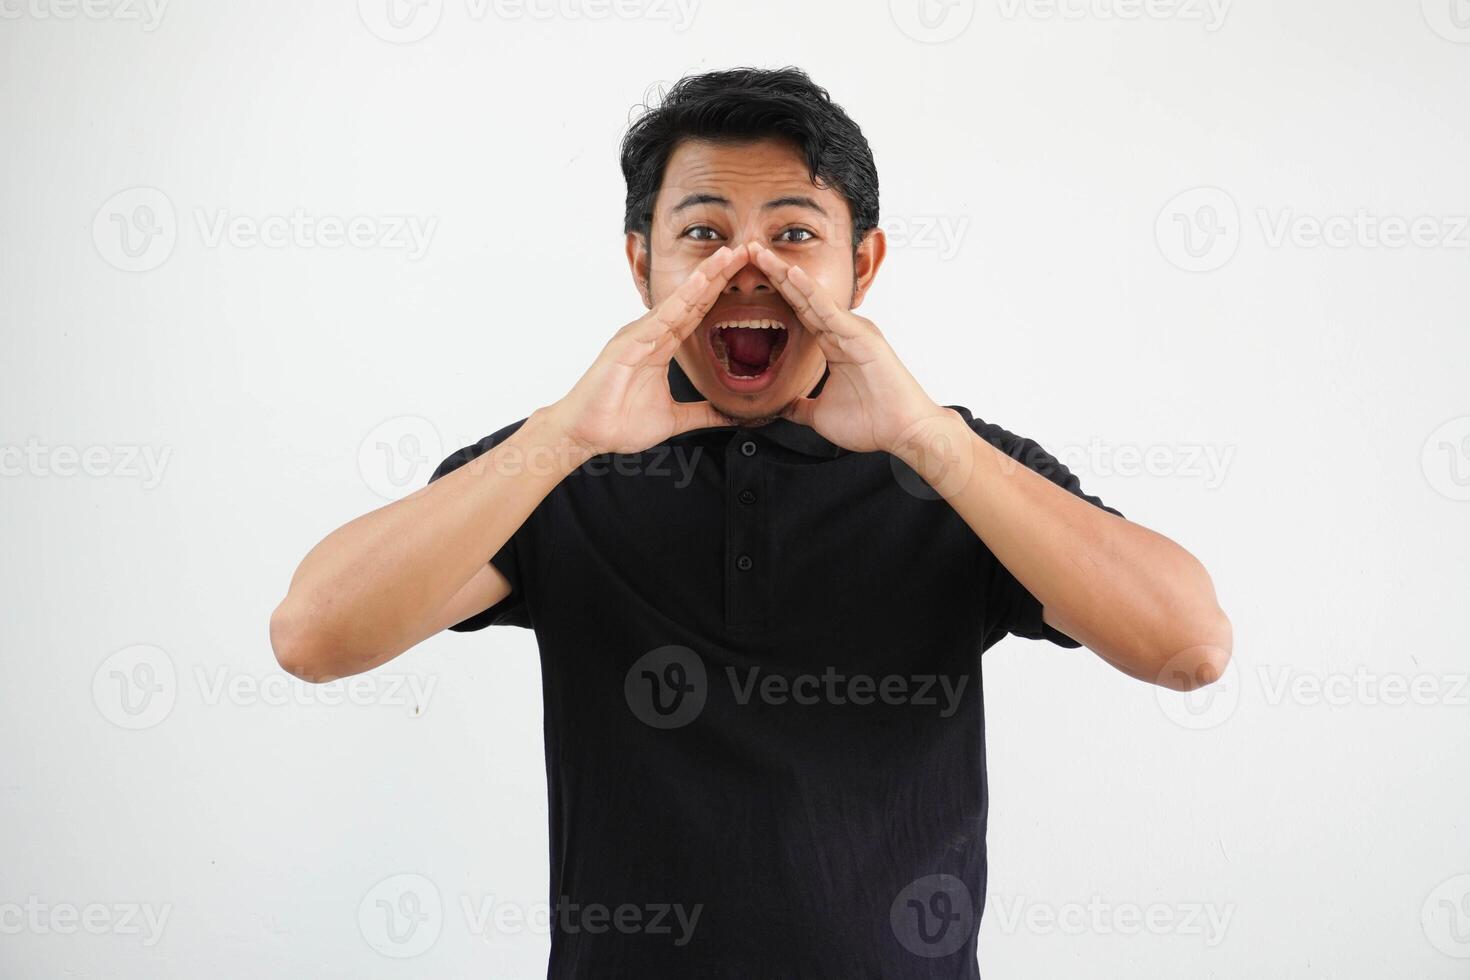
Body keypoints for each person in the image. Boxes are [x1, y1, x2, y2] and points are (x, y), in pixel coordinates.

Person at [270, 66, 1232, 979]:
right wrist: (563, 435)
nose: (747, 268)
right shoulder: (558, 468)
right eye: (703, 234)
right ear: (640, 262)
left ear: (865, 263)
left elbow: (1189, 646)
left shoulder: (958, 469)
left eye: (794, 234)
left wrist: (928, 443)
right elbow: (314, 636)